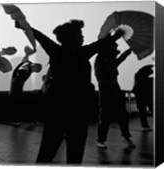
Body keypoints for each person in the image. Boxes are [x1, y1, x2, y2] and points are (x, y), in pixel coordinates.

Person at [16, 20, 123, 164]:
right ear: (71, 38)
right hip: (78, 111)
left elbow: (40, 36)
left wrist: (25, 26)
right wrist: (116, 36)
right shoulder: (83, 53)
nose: (83, 37)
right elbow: (101, 44)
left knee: (47, 151)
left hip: (57, 110)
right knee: (75, 154)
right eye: (80, 34)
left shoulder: (56, 51)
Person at [94, 42, 135, 149]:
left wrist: (128, 51)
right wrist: (126, 53)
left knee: (122, 113)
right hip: (105, 87)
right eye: (113, 52)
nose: (114, 55)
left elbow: (118, 61)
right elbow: (109, 67)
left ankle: (126, 136)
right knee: (105, 115)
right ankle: (101, 139)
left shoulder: (110, 61)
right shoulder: (101, 61)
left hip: (114, 87)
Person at [9, 47, 41, 127]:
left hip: (15, 94)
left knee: (18, 109)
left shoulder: (15, 77)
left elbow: (15, 70)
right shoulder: (23, 77)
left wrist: (23, 63)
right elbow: (28, 71)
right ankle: (33, 120)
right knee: (23, 108)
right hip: (18, 94)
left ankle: (19, 121)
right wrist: (29, 64)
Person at [133, 64, 154, 131]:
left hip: (141, 98)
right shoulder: (148, 80)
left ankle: (145, 125)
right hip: (146, 98)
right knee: (151, 110)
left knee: (142, 112)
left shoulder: (138, 79)